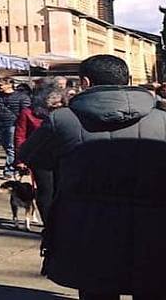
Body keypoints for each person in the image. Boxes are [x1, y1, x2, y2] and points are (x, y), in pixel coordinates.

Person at [18, 55, 166, 300]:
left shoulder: (63, 120)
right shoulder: (162, 120)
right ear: (128, 80)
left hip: (86, 225)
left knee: (96, 290)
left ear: (85, 82)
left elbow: (31, 156)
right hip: (154, 226)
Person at [14, 79, 69, 225]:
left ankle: (62, 221)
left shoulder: (66, 113)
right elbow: (20, 136)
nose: (56, 105)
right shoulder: (28, 113)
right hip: (40, 158)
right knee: (46, 191)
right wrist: (20, 160)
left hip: (64, 156)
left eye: (59, 102)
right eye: (53, 102)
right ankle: (49, 223)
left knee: (63, 191)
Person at [0, 77, 31, 178]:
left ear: (9, 84)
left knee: (11, 148)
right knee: (7, 148)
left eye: (0, 85)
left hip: (14, 125)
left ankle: (9, 170)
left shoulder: (22, 97)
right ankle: (16, 167)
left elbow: (26, 112)